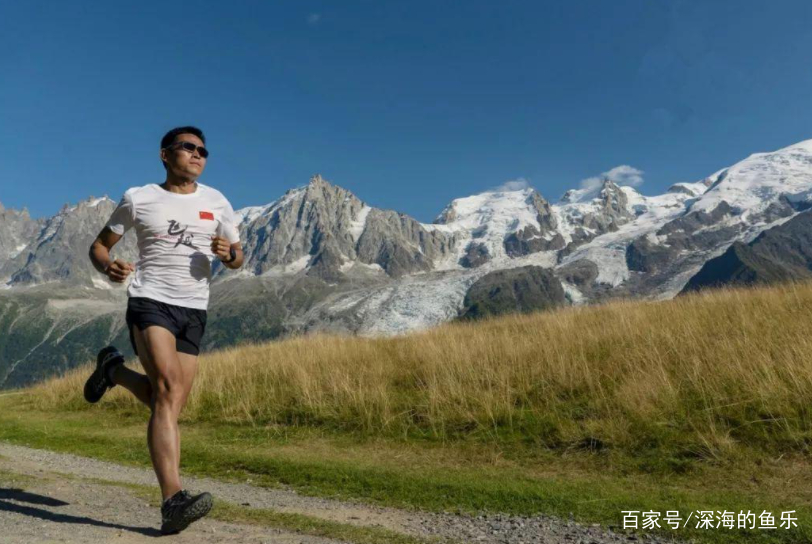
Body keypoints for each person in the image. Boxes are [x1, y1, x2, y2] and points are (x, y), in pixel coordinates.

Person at [84, 126, 243, 534]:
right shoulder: (139, 198)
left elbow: (238, 256)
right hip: (150, 300)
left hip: (194, 309)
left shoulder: (217, 201)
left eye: (203, 150)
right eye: (188, 148)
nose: (197, 155)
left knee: (166, 401)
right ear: (164, 154)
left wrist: (231, 255)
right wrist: (109, 267)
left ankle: (113, 370)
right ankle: (172, 499)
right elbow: (99, 247)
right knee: (169, 391)